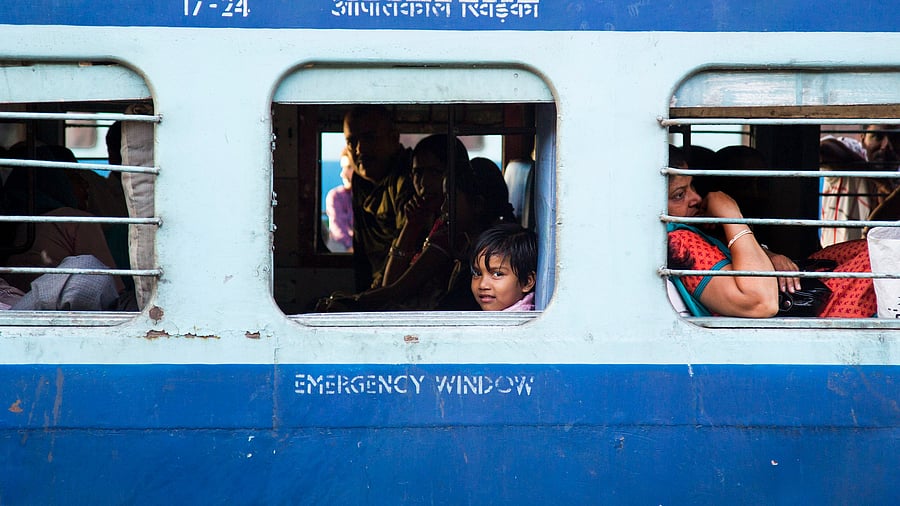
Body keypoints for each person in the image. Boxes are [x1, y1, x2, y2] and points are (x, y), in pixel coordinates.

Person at [667, 146, 876, 318]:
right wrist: (730, 215)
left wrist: (769, 255)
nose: (695, 198)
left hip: (793, 289)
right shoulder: (680, 240)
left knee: (867, 248)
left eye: (692, 187)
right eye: (679, 195)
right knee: (877, 257)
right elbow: (761, 303)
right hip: (799, 312)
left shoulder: (692, 231)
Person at [319, 135, 514, 311]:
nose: (424, 182)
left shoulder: (456, 234)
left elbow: (397, 289)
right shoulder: (434, 221)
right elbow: (390, 282)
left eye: (433, 172)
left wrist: (354, 302)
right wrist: (411, 226)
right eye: (418, 173)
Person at [343, 105, 414, 290]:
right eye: (351, 141)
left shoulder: (410, 177)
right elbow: (361, 253)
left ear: (393, 138)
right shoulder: (360, 181)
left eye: (369, 137)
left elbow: (407, 248)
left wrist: (376, 295)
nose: (359, 149)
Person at [819, 125, 900, 246]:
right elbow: (823, 149)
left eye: (895, 138)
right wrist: (878, 178)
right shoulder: (854, 151)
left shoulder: (896, 174)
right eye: (877, 137)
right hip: (838, 257)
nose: (885, 146)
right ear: (862, 138)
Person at [470, 223, 537, 311]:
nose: (482, 285)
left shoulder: (521, 322)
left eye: (497, 274)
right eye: (477, 273)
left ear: (527, 282)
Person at [325, 149, 354, 252]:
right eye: (343, 168)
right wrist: (352, 247)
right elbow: (339, 228)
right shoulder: (335, 196)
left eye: (349, 167)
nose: (343, 174)